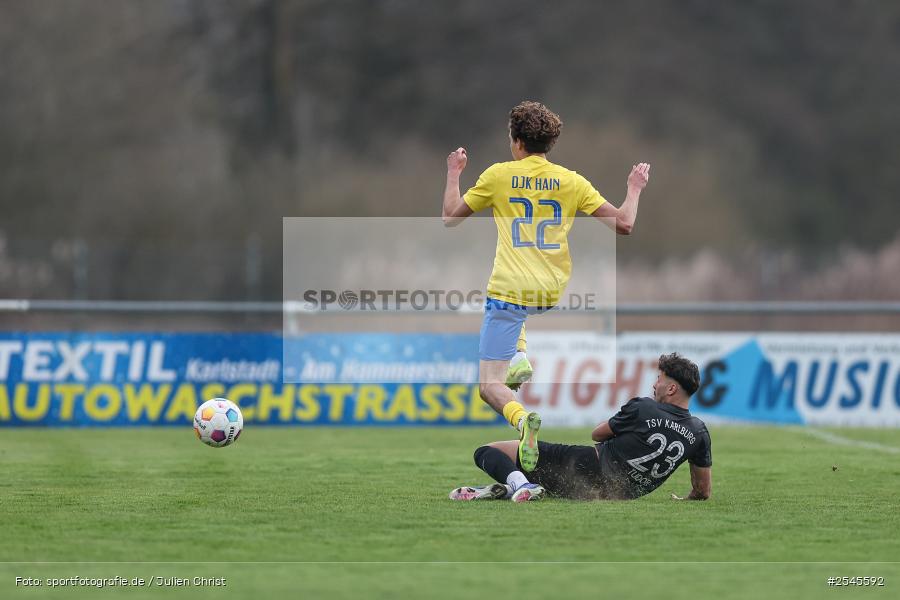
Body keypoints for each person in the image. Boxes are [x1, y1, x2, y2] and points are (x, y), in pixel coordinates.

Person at [441, 100, 650, 473]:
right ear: (549, 143)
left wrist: (454, 172)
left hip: (509, 290)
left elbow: (450, 217)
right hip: (550, 289)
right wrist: (634, 189)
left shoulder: (498, 175)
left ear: (517, 141)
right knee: (518, 316)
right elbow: (624, 224)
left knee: (489, 386)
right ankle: (518, 355)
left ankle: (523, 420)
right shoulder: (571, 181)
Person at [450, 353, 712, 502]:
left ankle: (520, 484)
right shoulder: (699, 433)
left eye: (659, 379)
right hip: (614, 494)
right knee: (547, 478)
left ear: (671, 388)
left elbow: (597, 433)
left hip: (585, 467)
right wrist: (686, 500)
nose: (654, 385)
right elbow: (702, 491)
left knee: (487, 451)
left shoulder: (644, 407)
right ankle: (515, 488)